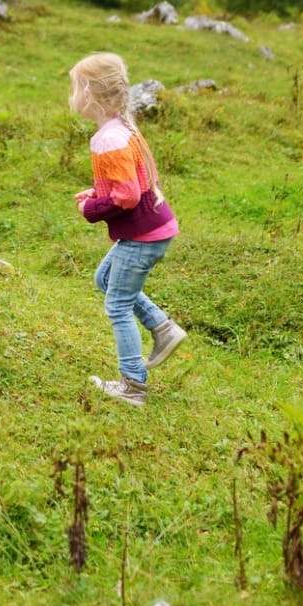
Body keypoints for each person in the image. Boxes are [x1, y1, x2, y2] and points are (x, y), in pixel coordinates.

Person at [69, 52, 185, 405]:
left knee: (117, 305)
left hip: (142, 235)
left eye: (73, 86)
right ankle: (163, 329)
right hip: (155, 227)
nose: (71, 94)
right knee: (104, 280)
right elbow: (131, 182)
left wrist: (92, 207)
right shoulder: (123, 127)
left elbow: (128, 195)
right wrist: (100, 191)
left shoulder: (107, 139)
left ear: (88, 93)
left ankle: (133, 385)